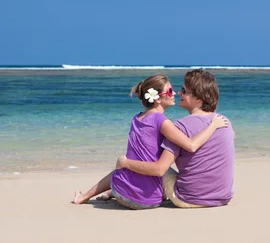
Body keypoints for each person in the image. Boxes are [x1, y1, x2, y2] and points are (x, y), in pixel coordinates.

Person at [72, 73, 228, 210]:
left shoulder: (136, 118)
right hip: (149, 201)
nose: (175, 93)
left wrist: (125, 163)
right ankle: (112, 191)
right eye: (169, 91)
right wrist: (213, 125)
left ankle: (84, 196)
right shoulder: (164, 122)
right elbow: (191, 145)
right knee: (144, 167)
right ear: (158, 98)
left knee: (122, 168)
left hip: (121, 191)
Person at [116, 69, 235, 208]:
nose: (178, 93)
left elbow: (160, 169)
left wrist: (125, 163)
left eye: (184, 91)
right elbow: (231, 137)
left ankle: (124, 190)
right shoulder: (224, 121)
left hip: (189, 198)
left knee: (150, 162)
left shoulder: (180, 126)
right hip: (223, 196)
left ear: (198, 99)